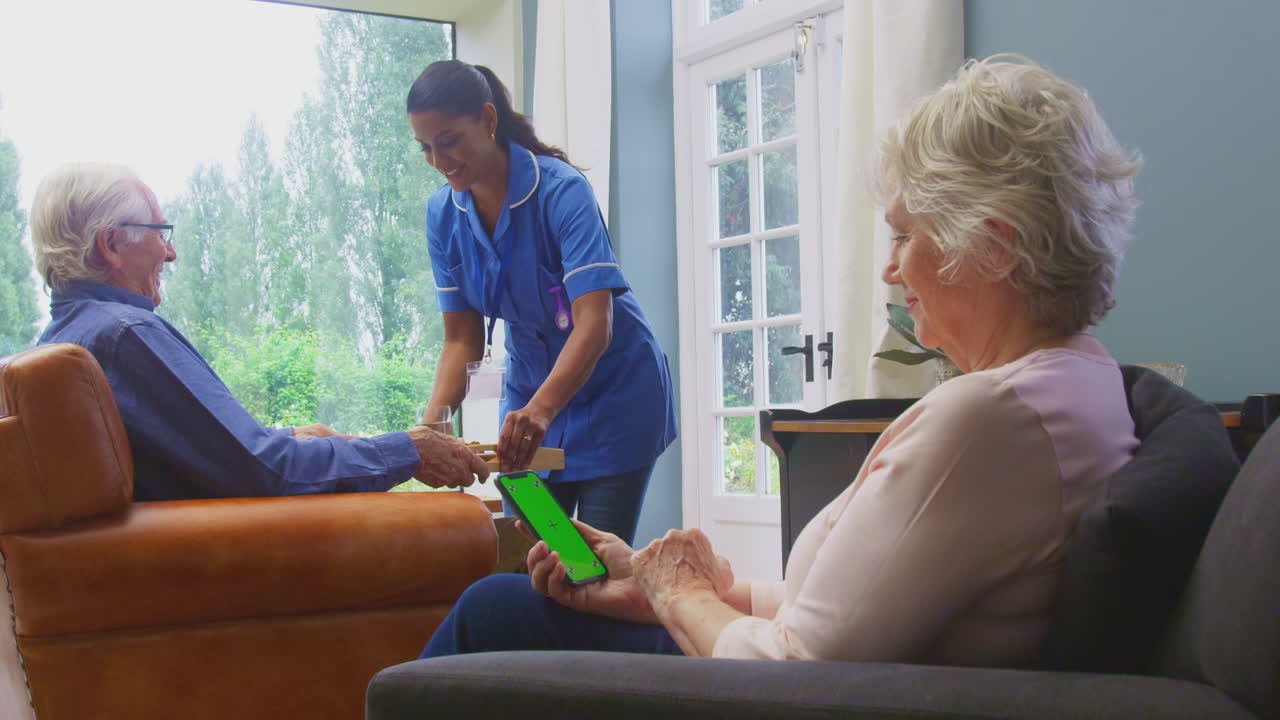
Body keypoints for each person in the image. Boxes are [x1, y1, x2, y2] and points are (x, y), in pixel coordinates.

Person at [420, 54, 1143, 666]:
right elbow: (826, 615)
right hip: (795, 659)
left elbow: (792, 669)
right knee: (550, 575)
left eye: (903, 238)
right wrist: (650, 575)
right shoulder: (1079, 381)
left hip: (766, 672)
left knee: (494, 606)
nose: (891, 273)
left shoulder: (986, 420)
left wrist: (681, 594)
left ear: (992, 245)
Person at [33, 162, 490, 501]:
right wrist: (409, 450)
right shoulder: (127, 335)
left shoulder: (63, 340)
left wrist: (289, 435)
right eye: (160, 232)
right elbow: (268, 472)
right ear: (112, 244)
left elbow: (204, 458)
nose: (170, 254)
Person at [406, 60, 677, 545]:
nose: (438, 159)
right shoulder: (443, 215)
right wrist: (434, 425)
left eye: (448, 141)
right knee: (536, 553)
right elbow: (461, 338)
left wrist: (541, 412)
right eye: (426, 148)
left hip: (614, 402)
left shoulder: (561, 191)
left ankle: (603, 616)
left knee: (588, 567)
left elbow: (595, 322)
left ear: (488, 120)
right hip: (528, 406)